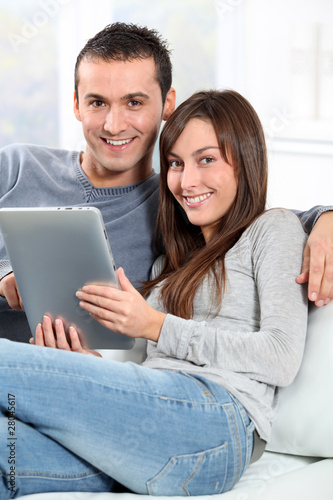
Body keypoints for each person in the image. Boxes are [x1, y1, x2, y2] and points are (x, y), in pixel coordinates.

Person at [0, 89, 308, 497]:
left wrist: (156, 325)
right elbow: (152, 375)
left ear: (245, 161)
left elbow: (280, 357)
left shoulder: (273, 229)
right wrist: (87, 367)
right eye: (176, 164)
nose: (187, 180)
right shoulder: (169, 265)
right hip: (158, 442)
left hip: (217, 424)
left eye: (207, 159)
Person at [0, 23, 332, 344]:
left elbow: (258, 215)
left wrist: (326, 220)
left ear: (167, 104)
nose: (114, 125)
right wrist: (5, 276)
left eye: (134, 102)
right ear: (76, 104)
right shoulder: (17, 165)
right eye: (97, 102)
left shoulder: (178, 205)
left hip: (55, 379)